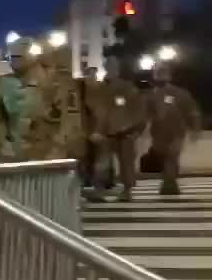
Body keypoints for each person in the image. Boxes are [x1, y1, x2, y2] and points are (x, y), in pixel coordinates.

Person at [85, 56, 146, 202]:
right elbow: (96, 109)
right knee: (102, 163)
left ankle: (126, 190)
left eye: (114, 66)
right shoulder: (101, 88)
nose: (111, 69)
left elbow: (139, 110)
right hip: (106, 133)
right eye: (109, 66)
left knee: (126, 163)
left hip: (125, 133)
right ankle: (99, 189)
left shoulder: (128, 88)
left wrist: (136, 130)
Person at [144, 62, 200, 195]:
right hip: (158, 134)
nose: (160, 75)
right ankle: (170, 181)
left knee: (172, 156)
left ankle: (169, 183)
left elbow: (193, 112)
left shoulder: (180, 93)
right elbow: (144, 114)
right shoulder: (150, 95)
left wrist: (195, 129)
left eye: (163, 72)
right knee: (165, 158)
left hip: (176, 132)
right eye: (158, 72)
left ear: (169, 75)